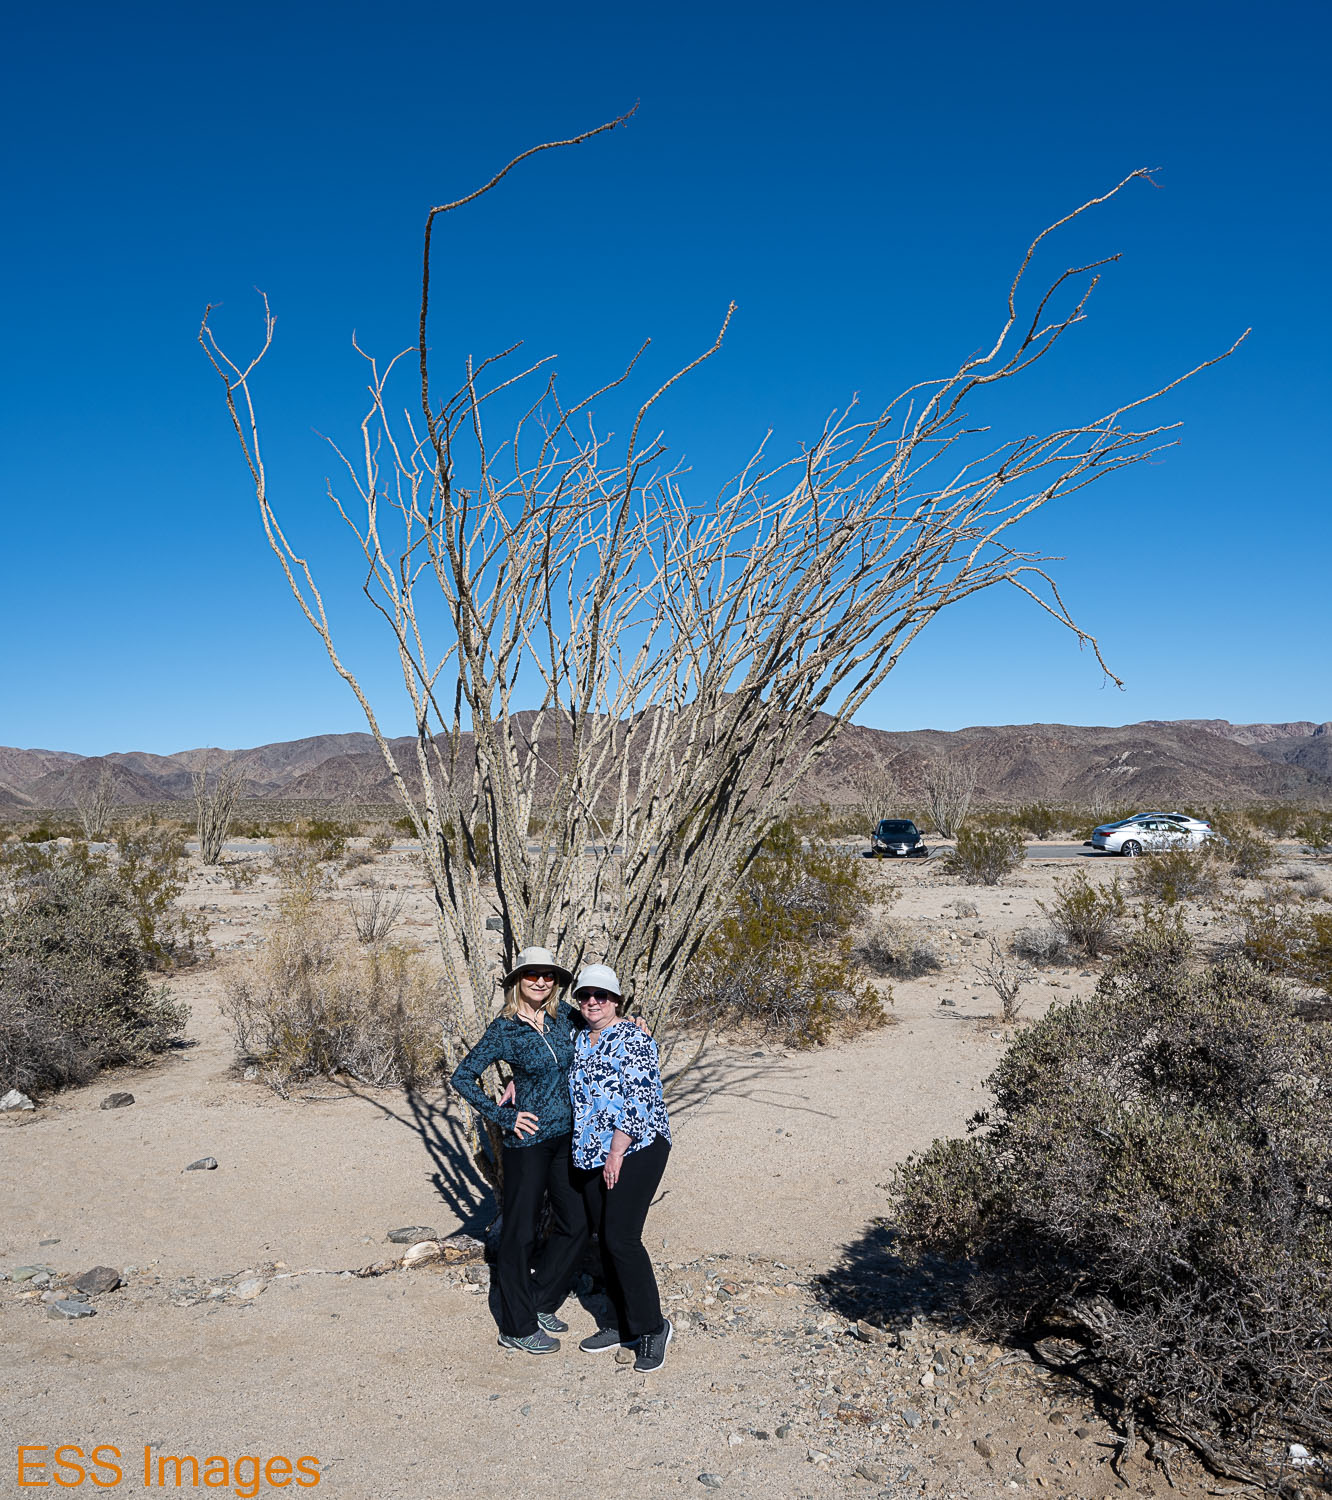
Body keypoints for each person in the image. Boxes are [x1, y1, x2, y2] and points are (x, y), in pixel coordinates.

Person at [449, 946, 586, 1355]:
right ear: (517, 981)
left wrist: (635, 1022)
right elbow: (463, 1077)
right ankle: (516, 1326)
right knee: (520, 1234)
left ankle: (540, 1299)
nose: (541, 981)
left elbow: (603, 1024)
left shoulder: (564, 1017)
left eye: (548, 975)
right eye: (532, 975)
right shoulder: (504, 1029)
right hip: (527, 1143)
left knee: (576, 1223)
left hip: (566, 1137)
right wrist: (504, 1116)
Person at [568, 963, 673, 1373]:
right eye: (585, 995)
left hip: (636, 1146)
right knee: (603, 1237)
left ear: (616, 1000)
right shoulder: (578, 1038)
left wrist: (616, 1151)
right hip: (591, 1152)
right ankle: (619, 1323)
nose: (592, 1002)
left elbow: (640, 1098)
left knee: (621, 1238)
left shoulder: (634, 1038)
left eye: (602, 995)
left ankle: (652, 1328)